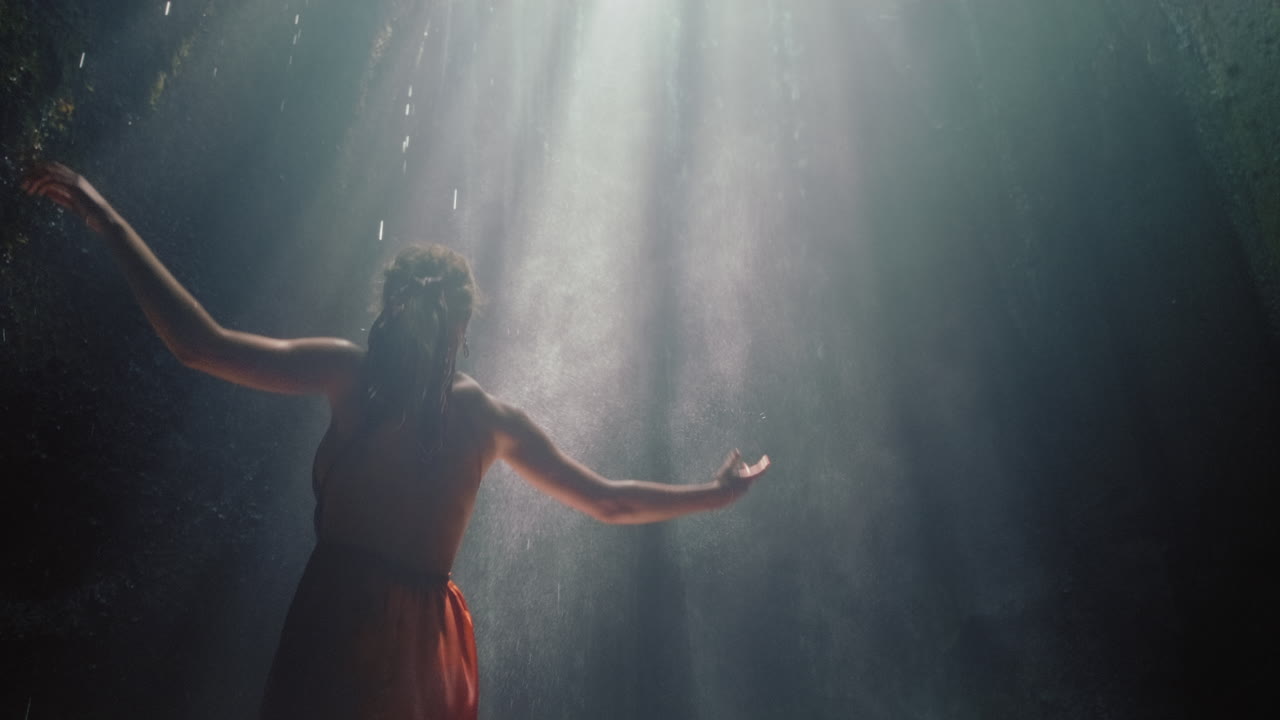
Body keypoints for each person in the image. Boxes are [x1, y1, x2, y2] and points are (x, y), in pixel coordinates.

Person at [21, 163, 770, 719]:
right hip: (426, 645)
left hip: (343, 615)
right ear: (465, 328)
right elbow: (608, 501)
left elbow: (199, 344)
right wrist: (718, 493)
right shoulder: (488, 420)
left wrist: (109, 222)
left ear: (389, 309)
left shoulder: (354, 377)